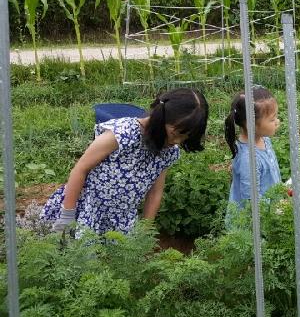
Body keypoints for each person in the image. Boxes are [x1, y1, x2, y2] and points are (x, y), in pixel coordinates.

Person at [41, 88, 209, 235]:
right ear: (161, 118)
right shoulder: (122, 133)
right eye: (175, 133)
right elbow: (81, 169)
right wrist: (67, 216)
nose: (177, 141)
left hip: (121, 222)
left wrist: (144, 233)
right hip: (85, 210)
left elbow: (155, 193)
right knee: (74, 258)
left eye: (185, 137)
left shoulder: (167, 151)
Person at [224, 86, 282, 222]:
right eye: (272, 119)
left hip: (267, 214)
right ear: (251, 124)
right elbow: (251, 200)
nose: (277, 121)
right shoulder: (249, 159)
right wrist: (276, 210)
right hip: (250, 223)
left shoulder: (264, 140)